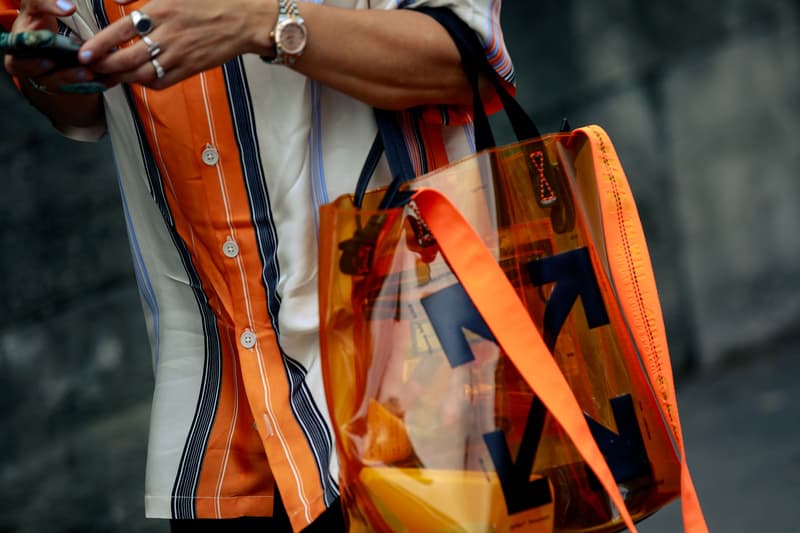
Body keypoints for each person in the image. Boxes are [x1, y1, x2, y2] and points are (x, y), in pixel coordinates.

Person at [2, 0, 514, 530]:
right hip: (220, 422)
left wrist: (259, 24)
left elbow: (468, 56)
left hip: (413, 385)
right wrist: (47, 71)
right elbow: (83, 106)